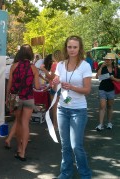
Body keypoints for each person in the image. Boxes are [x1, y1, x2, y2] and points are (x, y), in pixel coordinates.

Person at [52, 35, 92, 178]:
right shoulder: (61, 64)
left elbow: (87, 90)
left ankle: (85, 174)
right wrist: (54, 82)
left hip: (78, 110)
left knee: (76, 146)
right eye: (70, 47)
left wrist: (72, 87)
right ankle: (65, 173)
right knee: (65, 146)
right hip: (62, 109)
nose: (72, 50)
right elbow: (56, 83)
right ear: (66, 47)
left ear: (79, 48)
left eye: (75, 47)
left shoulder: (85, 66)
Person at [6, 44, 40, 161]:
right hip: (29, 98)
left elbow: (9, 84)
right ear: (30, 54)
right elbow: (37, 86)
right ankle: (23, 152)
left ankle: (19, 147)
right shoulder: (33, 68)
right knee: (25, 124)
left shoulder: (14, 66)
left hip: (16, 98)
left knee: (18, 123)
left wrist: (7, 97)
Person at [95, 53, 120, 131]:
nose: (106, 60)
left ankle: (109, 122)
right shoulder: (102, 66)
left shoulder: (116, 68)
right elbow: (97, 77)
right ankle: (100, 124)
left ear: (112, 60)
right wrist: (101, 67)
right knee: (102, 106)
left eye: (108, 59)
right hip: (102, 88)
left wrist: (113, 78)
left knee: (110, 106)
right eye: (105, 59)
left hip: (111, 89)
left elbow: (119, 80)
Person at [40, 50, 63, 131]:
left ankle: (55, 125)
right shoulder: (64, 64)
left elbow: (51, 77)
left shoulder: (55, 65)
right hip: (62, 88)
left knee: (54, 107)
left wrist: (43, 69)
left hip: (55, 88)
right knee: (62, 107)